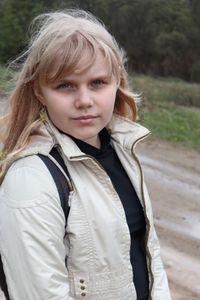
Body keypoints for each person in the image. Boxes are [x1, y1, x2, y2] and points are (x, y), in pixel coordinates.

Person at [0, 9, 171, 300]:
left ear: (117, 81)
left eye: (97, 83)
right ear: (39, 92)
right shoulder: (30, 180)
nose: (84, 101)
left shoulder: (123, 152)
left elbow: (150, 259)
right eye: (65, 85)